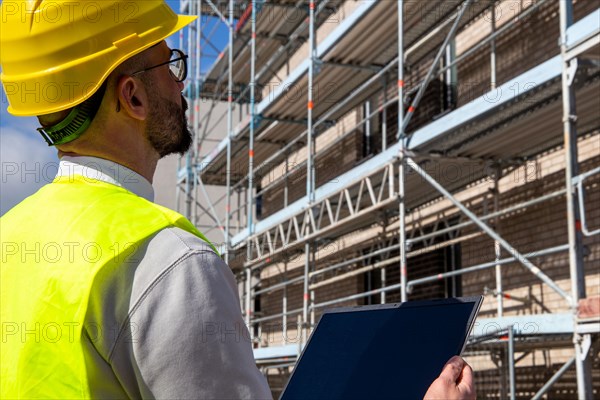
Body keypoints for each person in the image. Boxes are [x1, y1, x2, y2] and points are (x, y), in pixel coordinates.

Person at [0, 1, 475, 399]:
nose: (181, 83)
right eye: (170, 64)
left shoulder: (11, 237)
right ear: (133, 97)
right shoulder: (166, 262)